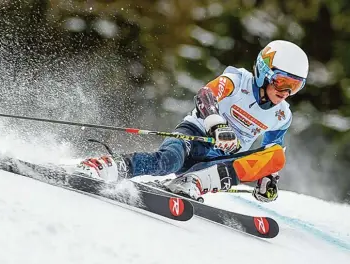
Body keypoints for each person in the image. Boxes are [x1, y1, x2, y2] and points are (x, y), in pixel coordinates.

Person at [76, 40, 309, 203]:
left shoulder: (282, 116)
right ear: (263, 71)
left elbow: (271, 151)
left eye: (295, 87)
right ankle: (110, 166)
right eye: (281, 82)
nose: (286, 92)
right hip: (195, 136)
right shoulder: (237, 81)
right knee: (168, 161)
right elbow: (205, 95)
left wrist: (266, 179)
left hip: (221, 161)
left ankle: (193, 182)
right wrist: (217, 124)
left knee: (278, 156)